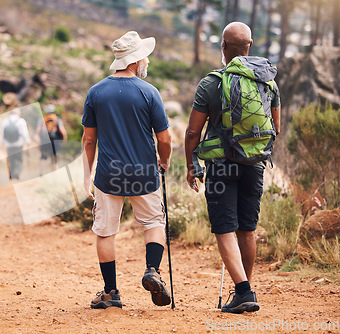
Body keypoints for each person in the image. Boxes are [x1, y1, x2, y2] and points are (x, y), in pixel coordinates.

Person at [184, 22, 281, 314]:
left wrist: (192, 165)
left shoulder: (211, 83)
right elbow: (276, 127)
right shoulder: (268, 82)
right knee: (247, 229)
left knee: (224, 228)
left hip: (221, 165)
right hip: (255, 163)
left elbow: (192, 132)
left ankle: (242, 291)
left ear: (223, 47)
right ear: (249, 46)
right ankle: (246, 288)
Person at [82, 31, 172, 309]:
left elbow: (88, 139)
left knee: (106, 231)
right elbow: (165, 139)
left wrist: (88, 175)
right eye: (144, 55)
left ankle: (110, 293)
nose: (147, 60)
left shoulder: (96, 92)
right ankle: (152, 271)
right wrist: (164, 161)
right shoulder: (149, 92)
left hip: (109, 174)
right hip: (144, 173)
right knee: (154, 223)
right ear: (135, 61)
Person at [37, 104, 68, 172]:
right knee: (54, 155)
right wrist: (64, 140)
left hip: (44, 140)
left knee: (43, 155)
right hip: (54, 140)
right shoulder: (56, 118)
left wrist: (40, 139)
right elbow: (62, 131)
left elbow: (38, 131)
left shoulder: (42, 119)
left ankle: (42, 171)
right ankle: (55, 170)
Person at [2, 108, 30, 180]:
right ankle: (17, 174)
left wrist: (3, 143)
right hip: (19, 144)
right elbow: (24, 133)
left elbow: (2, 133)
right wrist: (27, 142)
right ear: (18, 113)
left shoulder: (5, 121)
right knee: (19, 159)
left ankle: (11, 174)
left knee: (11, 159)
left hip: (9, 144)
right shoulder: (21, 121)